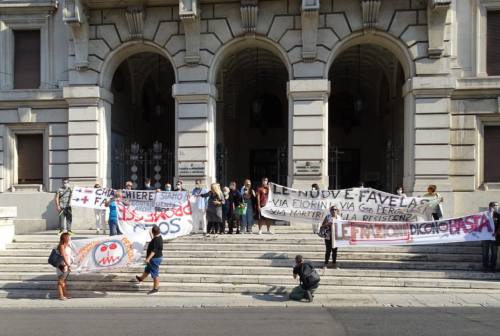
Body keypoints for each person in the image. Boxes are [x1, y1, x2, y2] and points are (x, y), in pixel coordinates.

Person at [135, 225, 163, 294]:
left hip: (154, 259)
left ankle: (155, 289)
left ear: (154, 232)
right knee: (147, 269)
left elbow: (154, 251)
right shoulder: (158, 237)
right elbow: (153, 238)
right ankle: (141, 278)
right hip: (155, 258)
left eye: (152, 232)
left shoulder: (156, 240)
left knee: (155, 273)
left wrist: (148, 259)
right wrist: (150, 232)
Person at [482, 201, 499, 272]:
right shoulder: (484, 215)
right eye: (495, 205)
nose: (496, 207)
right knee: (485, 252)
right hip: (485, 237)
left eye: (497, 205)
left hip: (494, 237)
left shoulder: (498, 215)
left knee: (494, 253)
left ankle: (493, 267)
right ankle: (485, 267)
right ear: (490, 207)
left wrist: (496, 233)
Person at [56, 232, 73, 300]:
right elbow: (63, 256)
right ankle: (61, 295)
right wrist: (68, 265)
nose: (69, 238)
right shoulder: (62, 246)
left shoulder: (68, 245)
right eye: (68, 237)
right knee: (61, 281)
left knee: (64, 281)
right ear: (65, 238)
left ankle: (65, 294)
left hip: (67, 265)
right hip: (63, 266)